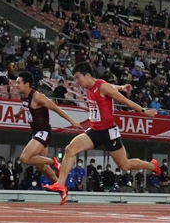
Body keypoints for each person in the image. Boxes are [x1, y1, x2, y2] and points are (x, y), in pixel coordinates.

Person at [44, 62, 160, 204]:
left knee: (124, 165)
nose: (77, 81)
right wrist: (122, 87)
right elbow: (112, 87)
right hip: (94, 131)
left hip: (108, 132)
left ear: (87, 75)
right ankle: (61, 185)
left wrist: (144, 111)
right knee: (70, 149)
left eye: (78, 77)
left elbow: (124, 100)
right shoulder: (89, 86)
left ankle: (152, 166)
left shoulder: (102, 87)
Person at [14, 71, 82, 189]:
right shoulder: (25, 96)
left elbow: (56, 109)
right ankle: (61, 187)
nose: (16, 85)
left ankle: (54, 162)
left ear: (27, 84)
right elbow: (25, 106)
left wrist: (72, 122)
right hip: (36, 133)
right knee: (41, 167)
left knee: (24, 158)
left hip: (43, 132)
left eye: (18, 82)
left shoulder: (38, 97)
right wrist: (18, 114)